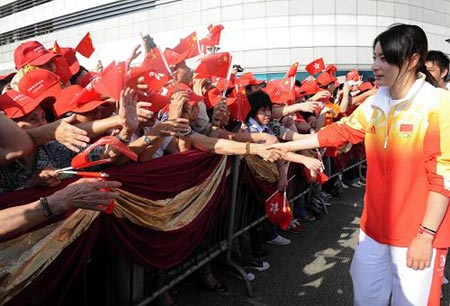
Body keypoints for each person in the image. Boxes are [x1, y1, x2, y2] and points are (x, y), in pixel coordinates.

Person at [268, 24, 450, 305]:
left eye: (384, 59)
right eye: (374, 57)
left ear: (413, 60)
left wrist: (425, 236)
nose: (375, 66)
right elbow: (337, 132)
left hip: (417, 233)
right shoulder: (377, 102)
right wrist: (284, 146)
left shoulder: (438, 104)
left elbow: (443, 177)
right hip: (373, 231)